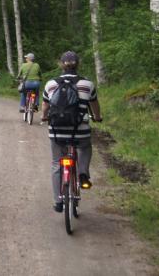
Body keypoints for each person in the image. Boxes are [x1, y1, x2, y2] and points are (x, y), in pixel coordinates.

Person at [40, 51, 103, 213]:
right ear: (78, 64)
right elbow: (95, 106)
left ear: (61, 64)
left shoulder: (51, 84)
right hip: (79, 131)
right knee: (85, 147)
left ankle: (58, 201)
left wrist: (44, 117)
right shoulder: (87, 84)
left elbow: (45, 107)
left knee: (56, 163)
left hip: (57, 132)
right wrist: (97, 117)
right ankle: (83, 174)